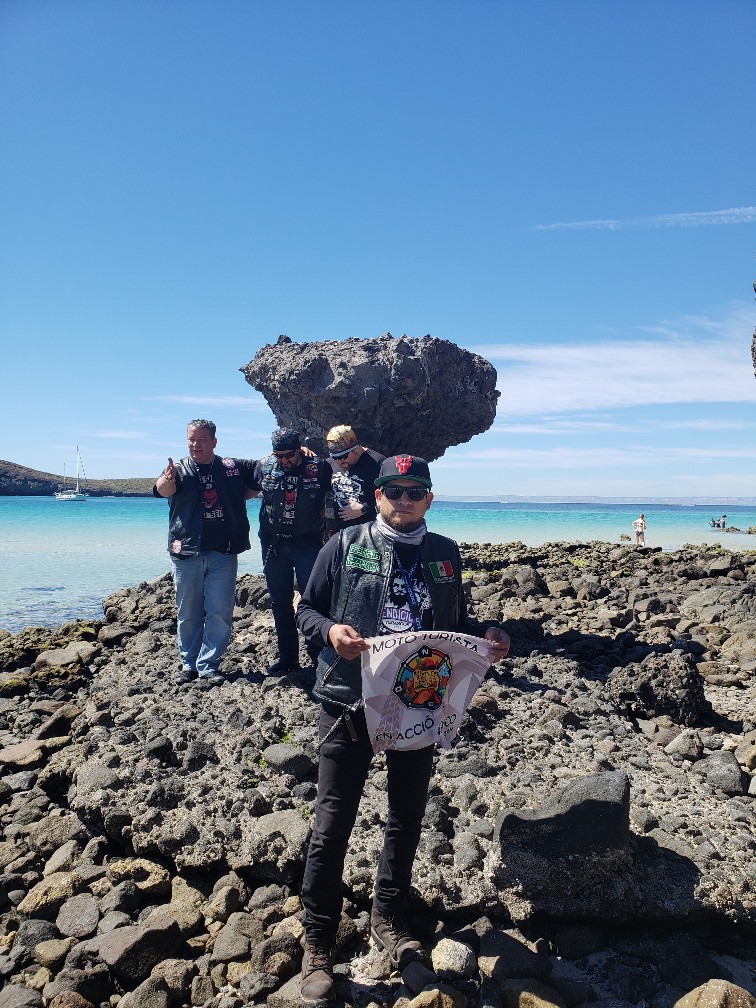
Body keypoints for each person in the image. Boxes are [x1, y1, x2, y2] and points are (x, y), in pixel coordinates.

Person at [295, 454, 510, 1005]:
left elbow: (456, 625)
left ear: (429, 499)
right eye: (394, 490)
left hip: (419, 704)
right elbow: (307, 612)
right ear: (377, 496)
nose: (404, 499)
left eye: (416, 491)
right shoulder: (344, 544)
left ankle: (388, 918)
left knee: (407, 815)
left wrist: (488, 637)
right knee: (332, 823)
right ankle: (317, 939)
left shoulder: (445, 553)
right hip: (348, 701)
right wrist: (330, 633)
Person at [154, 420, 258, 686]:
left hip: (223, 551)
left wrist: (301, 451)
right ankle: (189, 664)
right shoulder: (178, 469)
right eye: (191, 439)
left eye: (201, 439)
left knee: (220, 612)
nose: (195, 444)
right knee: (188, 611)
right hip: (186, 551)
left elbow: (263, 469)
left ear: (214, 441)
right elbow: (163, 489)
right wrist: (166, 480)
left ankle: (209, 665)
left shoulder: (232, 467)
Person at [250, 428, 332, 675]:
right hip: (274, 545)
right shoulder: (264, 466)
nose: (284, 461)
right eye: (279, 456)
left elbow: (334, 497)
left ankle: (318, 658)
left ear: (299, 449)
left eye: (289, 455)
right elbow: (241, 489)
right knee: (279, 603)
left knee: (313, 602)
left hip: (309, 545)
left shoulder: (318, 467)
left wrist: (333, 534)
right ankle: (288, 658)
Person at [325, 425, 385, 535]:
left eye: (343, 456)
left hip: (370, 533)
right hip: (342, 534)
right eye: (335, 457)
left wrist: (363, 509)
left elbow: (389, 500)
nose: (339, 461)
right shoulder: (329, 464)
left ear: (356, 448)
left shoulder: (378, 462)